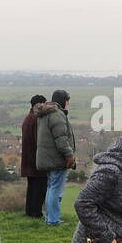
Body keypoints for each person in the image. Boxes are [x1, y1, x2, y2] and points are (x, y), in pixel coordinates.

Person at [35, 89, 76, 225]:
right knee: (56, 190)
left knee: (51, 188)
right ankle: (53, 220)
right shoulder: (57, 114)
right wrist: (69, 155)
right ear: (63, 101)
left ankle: (50, 218)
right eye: (67, 101)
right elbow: (61, 139)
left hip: (48, 157)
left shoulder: (46, 113)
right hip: (56, 159)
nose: (68, 104)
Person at [20, 95, 48, 219]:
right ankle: (36, 213)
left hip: (28, 160)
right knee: (39, 188)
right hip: (35, 160)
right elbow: (39, 141)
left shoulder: (28, 118)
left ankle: (30, 212)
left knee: (32, 188)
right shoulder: (36, 120)